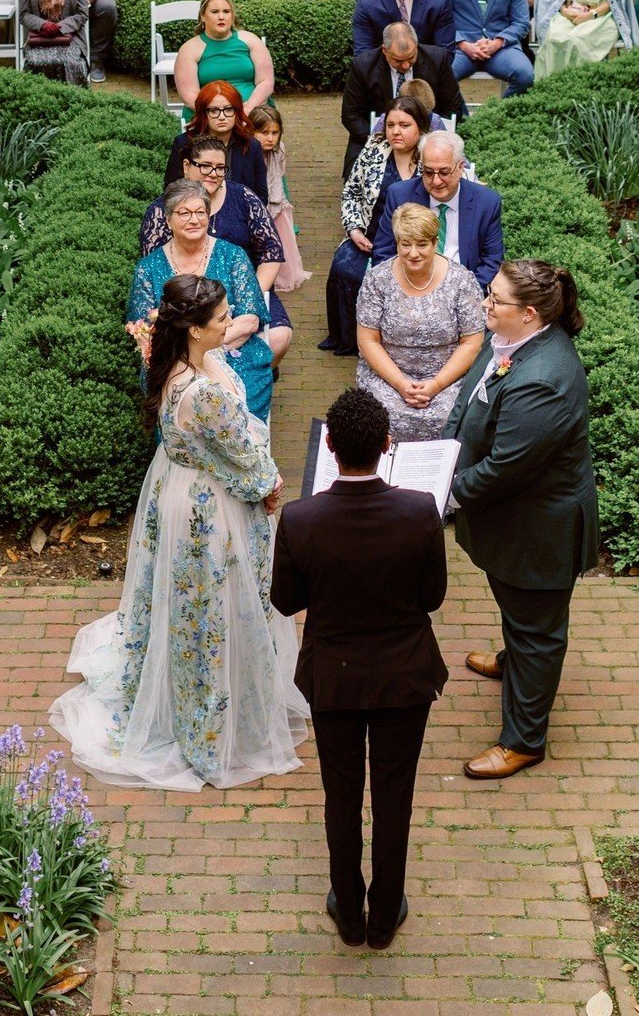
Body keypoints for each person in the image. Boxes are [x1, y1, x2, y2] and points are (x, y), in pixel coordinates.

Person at [53, 271, 305, 789]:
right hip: (207, 506)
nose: (231, 322)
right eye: (221, 318)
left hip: (179, 481)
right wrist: (270, 485)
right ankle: (208, 724)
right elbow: (238, 455)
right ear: (193, 329)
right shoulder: (201, 391)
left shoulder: (180, 359)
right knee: (210, 605)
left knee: (190, 602)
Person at [270, 387, 447, 950]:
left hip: (335, 678)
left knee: (340, 795)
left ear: (329, 445)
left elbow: (285, 601)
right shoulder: (420, 511)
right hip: (404, 678)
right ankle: (385, 911)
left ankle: (348, 910)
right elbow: (433, 597)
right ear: (387, 446)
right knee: (396, 795)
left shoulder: (301, 519)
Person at [447, 260, 597, 781]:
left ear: (530, 314)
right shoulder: (507, 340)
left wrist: (440, 493)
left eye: (495, 300)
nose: (486, 306)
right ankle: (514, 662)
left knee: (538, 628)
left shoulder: (543, 380)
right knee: (517, 608)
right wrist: (444, 452)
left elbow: (505, 469)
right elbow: (470, 400)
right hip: (513, 524)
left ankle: (524, 740)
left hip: (538, 533)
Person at [129, 182, 275, 422]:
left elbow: (249, 320)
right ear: (168, 220)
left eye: (200, 212)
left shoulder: (233, 255)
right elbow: (144, 330)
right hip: (173, 361)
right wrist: (186, 357)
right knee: (178, 397)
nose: (194, 219)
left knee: (232, 400)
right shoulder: (148, 268)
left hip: (234, 353)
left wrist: (205, 352)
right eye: (184, 213)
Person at [143, 137, 293, 369]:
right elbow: (156, 269)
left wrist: (246, 294)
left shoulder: (244, 198)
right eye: (204, 166)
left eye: (220, 168)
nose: (213, 173)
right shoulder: (162, 210)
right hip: (185, 301)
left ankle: (258, 372)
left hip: (246, 286)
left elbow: (271, 252)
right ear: (186, 166)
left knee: (279, 336)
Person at [357, 203, 485, 442]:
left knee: (450, 416)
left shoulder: (461, 281)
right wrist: (400, 383)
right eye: (405, 244)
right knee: (381, 414)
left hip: (447, 377)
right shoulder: (377, 280)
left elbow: (471, 342)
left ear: (435, 243)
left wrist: (436, 384)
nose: (413, 253)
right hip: (388, 375)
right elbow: (368, 340)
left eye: (422, 244)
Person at [322, 98, 426, 356]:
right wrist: (354, 229)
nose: (396, 131)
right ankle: (349, 340)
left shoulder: (430, 156)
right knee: (344, 268)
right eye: (390, 125)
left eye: (404, 125)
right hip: (369, 237)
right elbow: (351, 194)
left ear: (420, 128)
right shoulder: (374, 149)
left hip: (413, 243)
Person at [372, 129, 504, 288]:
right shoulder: (400, 196)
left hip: (464, 290)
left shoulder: (486, 202)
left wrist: (464, 294)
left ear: (461, 167)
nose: (436, 181)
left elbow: (492, 260)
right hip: (411, 287)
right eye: (428, 172)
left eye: (444, 172)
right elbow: (384, 253)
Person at [341, 23, 465, 176]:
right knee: (355, 174)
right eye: (398, 60)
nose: (406, 65)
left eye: (411, 58)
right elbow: (350, 115)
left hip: (428, 137)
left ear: (416, 46)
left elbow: (453, 107)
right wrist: (386, 139)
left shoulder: (437, 59)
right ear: (384, 51)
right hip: (376, 137)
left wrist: (424, 140)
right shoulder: (363, 66)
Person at [172, 0, 275, 120]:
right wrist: (219, 114)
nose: (221, 17)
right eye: (215, 12)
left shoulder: (251, 40)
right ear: (203, 16)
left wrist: (247, 109)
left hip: (252, 111)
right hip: (209, 115)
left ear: (232, 16)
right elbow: (189, 95)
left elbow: (266, 82)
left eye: (226, 11)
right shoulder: (189, 49)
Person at [164, 79, 269, 198]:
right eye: (213, 111)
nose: (222, 117)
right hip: (193, 212)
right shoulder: (183, 143)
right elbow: (170, 191)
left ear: (237, 112)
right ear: (203, 113)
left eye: (228, 109)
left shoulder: (251, 145)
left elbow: (261, 196)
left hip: (241, 214)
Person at [249, 103, 310, 293]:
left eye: (275, 133)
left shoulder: (279, 150)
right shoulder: (249, 153)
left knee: (280, 243)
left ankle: (280, 277)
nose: (270, 138)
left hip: (276, 202)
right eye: (264, 133)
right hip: (258, 204)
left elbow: (279, 174)